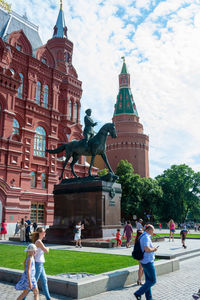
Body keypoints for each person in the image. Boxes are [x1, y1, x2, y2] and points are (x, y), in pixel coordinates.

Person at [134, 224, 158, 300]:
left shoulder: (142, 236)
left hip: (144, 261)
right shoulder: (146, 237)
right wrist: (154, 249)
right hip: (148, 261)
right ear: (148, 230)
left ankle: (149, 298)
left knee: (148, 281)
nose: (153, 232)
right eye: (152, 230)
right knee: (153, 280)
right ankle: (138, 293)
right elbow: (147, 249)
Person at [31, 227, 51, 300]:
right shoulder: (39, 242)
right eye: (44, 232)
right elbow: (46, 251)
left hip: (40, 264)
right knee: (34, 282)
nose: (45, 233)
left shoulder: (38, 241)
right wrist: (48, 248)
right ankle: (23, 297)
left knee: (44, 280)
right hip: (38, 264)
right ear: (40, 233)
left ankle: (48, 298)